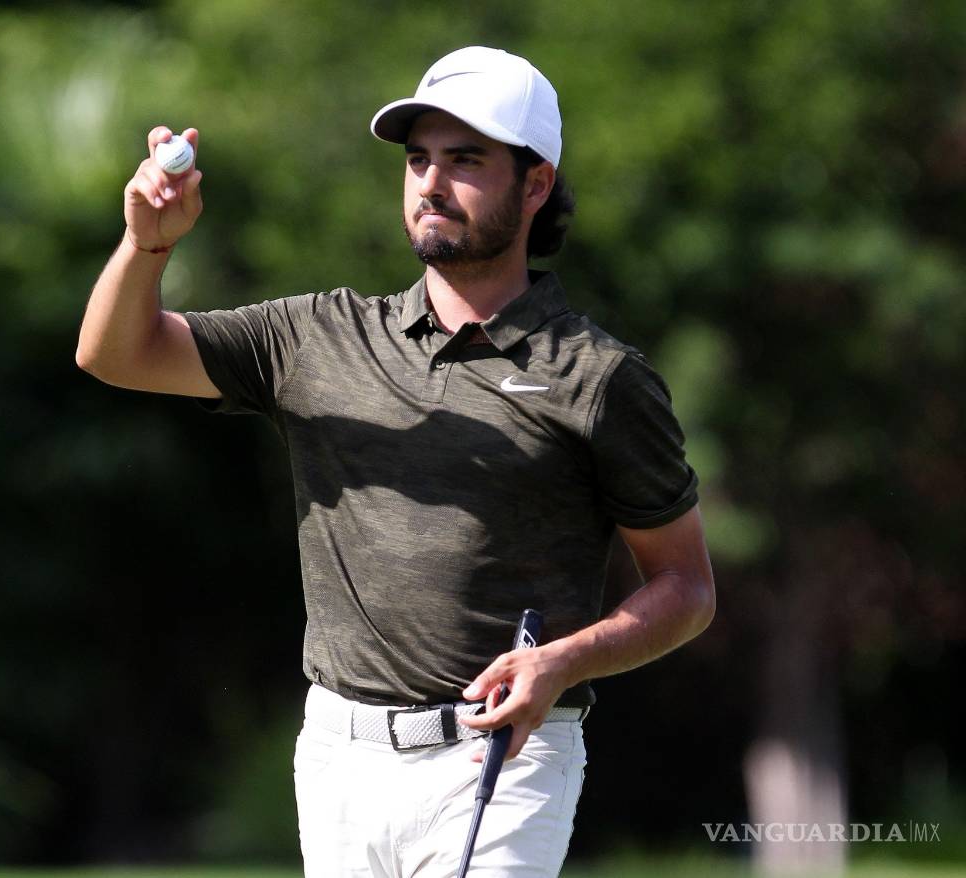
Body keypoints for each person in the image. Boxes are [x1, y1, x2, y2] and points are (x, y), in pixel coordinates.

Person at [77, 45, 715, 878]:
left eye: (465, 160)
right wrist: (144, 246)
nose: (430, 183)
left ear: (535, 185)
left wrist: (563, 661)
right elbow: (114, 353)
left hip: (502, 757)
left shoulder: (598, 377)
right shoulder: (319, 336)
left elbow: (687, 588)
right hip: (339, 762)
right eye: (418, 160)